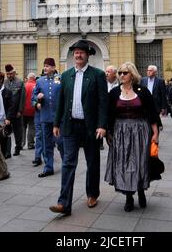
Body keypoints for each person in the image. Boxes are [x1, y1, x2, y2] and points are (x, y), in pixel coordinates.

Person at [49, 40, 108, 216]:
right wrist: (56, 123)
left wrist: (102, 125)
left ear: (88, 55)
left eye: (82, 52)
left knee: (92, 162)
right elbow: (61, 101)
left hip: (90, 127)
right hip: (70, 126)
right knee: (68, 163)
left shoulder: (97, 75)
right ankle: (64, 203)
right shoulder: (66, 75)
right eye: (76, 52)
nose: (78, 55)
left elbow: (103, 103)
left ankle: (92, 194)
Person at [105, 62, 159, 212]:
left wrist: (155, 133)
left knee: (140, 161)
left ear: (132, 75)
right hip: (120, 131)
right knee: (124, 163)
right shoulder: (115, 92)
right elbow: (109, 114)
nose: (121, 75)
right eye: (120, 73)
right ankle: (129, 197)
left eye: (125, 73)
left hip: (140, 130)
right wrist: (108, 132)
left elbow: (152, 112)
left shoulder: (142, 91)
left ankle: (141, 190)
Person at [32, 58, 63, 177]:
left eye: (48, 66)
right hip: (44, 117)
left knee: (60, 143)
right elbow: (33, 98)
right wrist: (37, 102)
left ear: (54, 68)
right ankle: (48, 167)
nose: (45, 68)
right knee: (46, 144)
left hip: (58, 118)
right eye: (45, 66)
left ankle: (66, 164)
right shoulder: (40, 81)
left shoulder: (60, 79)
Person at [4, 64, 26, 156]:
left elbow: (22, 98)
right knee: (7, 131)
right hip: (8, 112)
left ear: (14, 73)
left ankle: (18, 147)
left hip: (16, 111)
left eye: (10, 74)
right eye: (7, 74)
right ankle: (7, 151)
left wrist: (20, 111)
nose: (9, 76)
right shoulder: (5, 82)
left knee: (18, 131)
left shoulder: (20, 82)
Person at [0, 71, 15, 160]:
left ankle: (5, 154)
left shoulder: (7, 92)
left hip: (4, 119)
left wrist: (8, 118)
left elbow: (11, 106)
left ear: (0, 80)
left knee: (4, 137)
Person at [141, 65, 168, 130]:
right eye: (148, 70)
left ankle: (155, 137)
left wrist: (163, 107)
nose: (148, 72)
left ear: (155, 72)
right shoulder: (143, 80)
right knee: (146, 122)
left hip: (156, 105)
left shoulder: (160, 81)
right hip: (145, 105)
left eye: (150, 70)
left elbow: (163, 95)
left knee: (154, 121)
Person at [22, 73, 36, 150]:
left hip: (24, 109)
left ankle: (21, 143)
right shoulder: (36, 85)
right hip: (33, 109)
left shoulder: (24, 85)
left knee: (23, 127)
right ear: (34, 78)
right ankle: (30, 143)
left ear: (28, 78)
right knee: (31, 127)